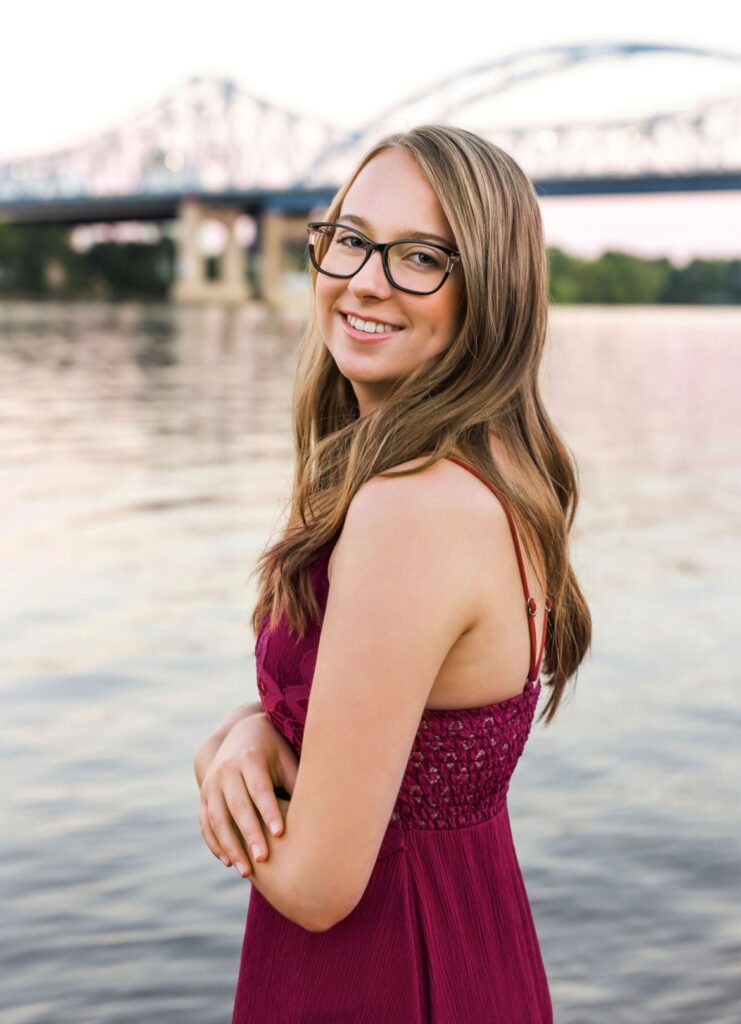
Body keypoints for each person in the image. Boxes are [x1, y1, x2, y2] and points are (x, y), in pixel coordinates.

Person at [194, 123, 592, 1023]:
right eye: (350, 238)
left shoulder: (409, 510)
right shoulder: (495, 473)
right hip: (474, 951)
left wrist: (213, 757)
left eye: (420, 257)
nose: (364, 280)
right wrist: (256, 724)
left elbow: (318, 883)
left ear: (489, 290)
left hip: (378, 978)